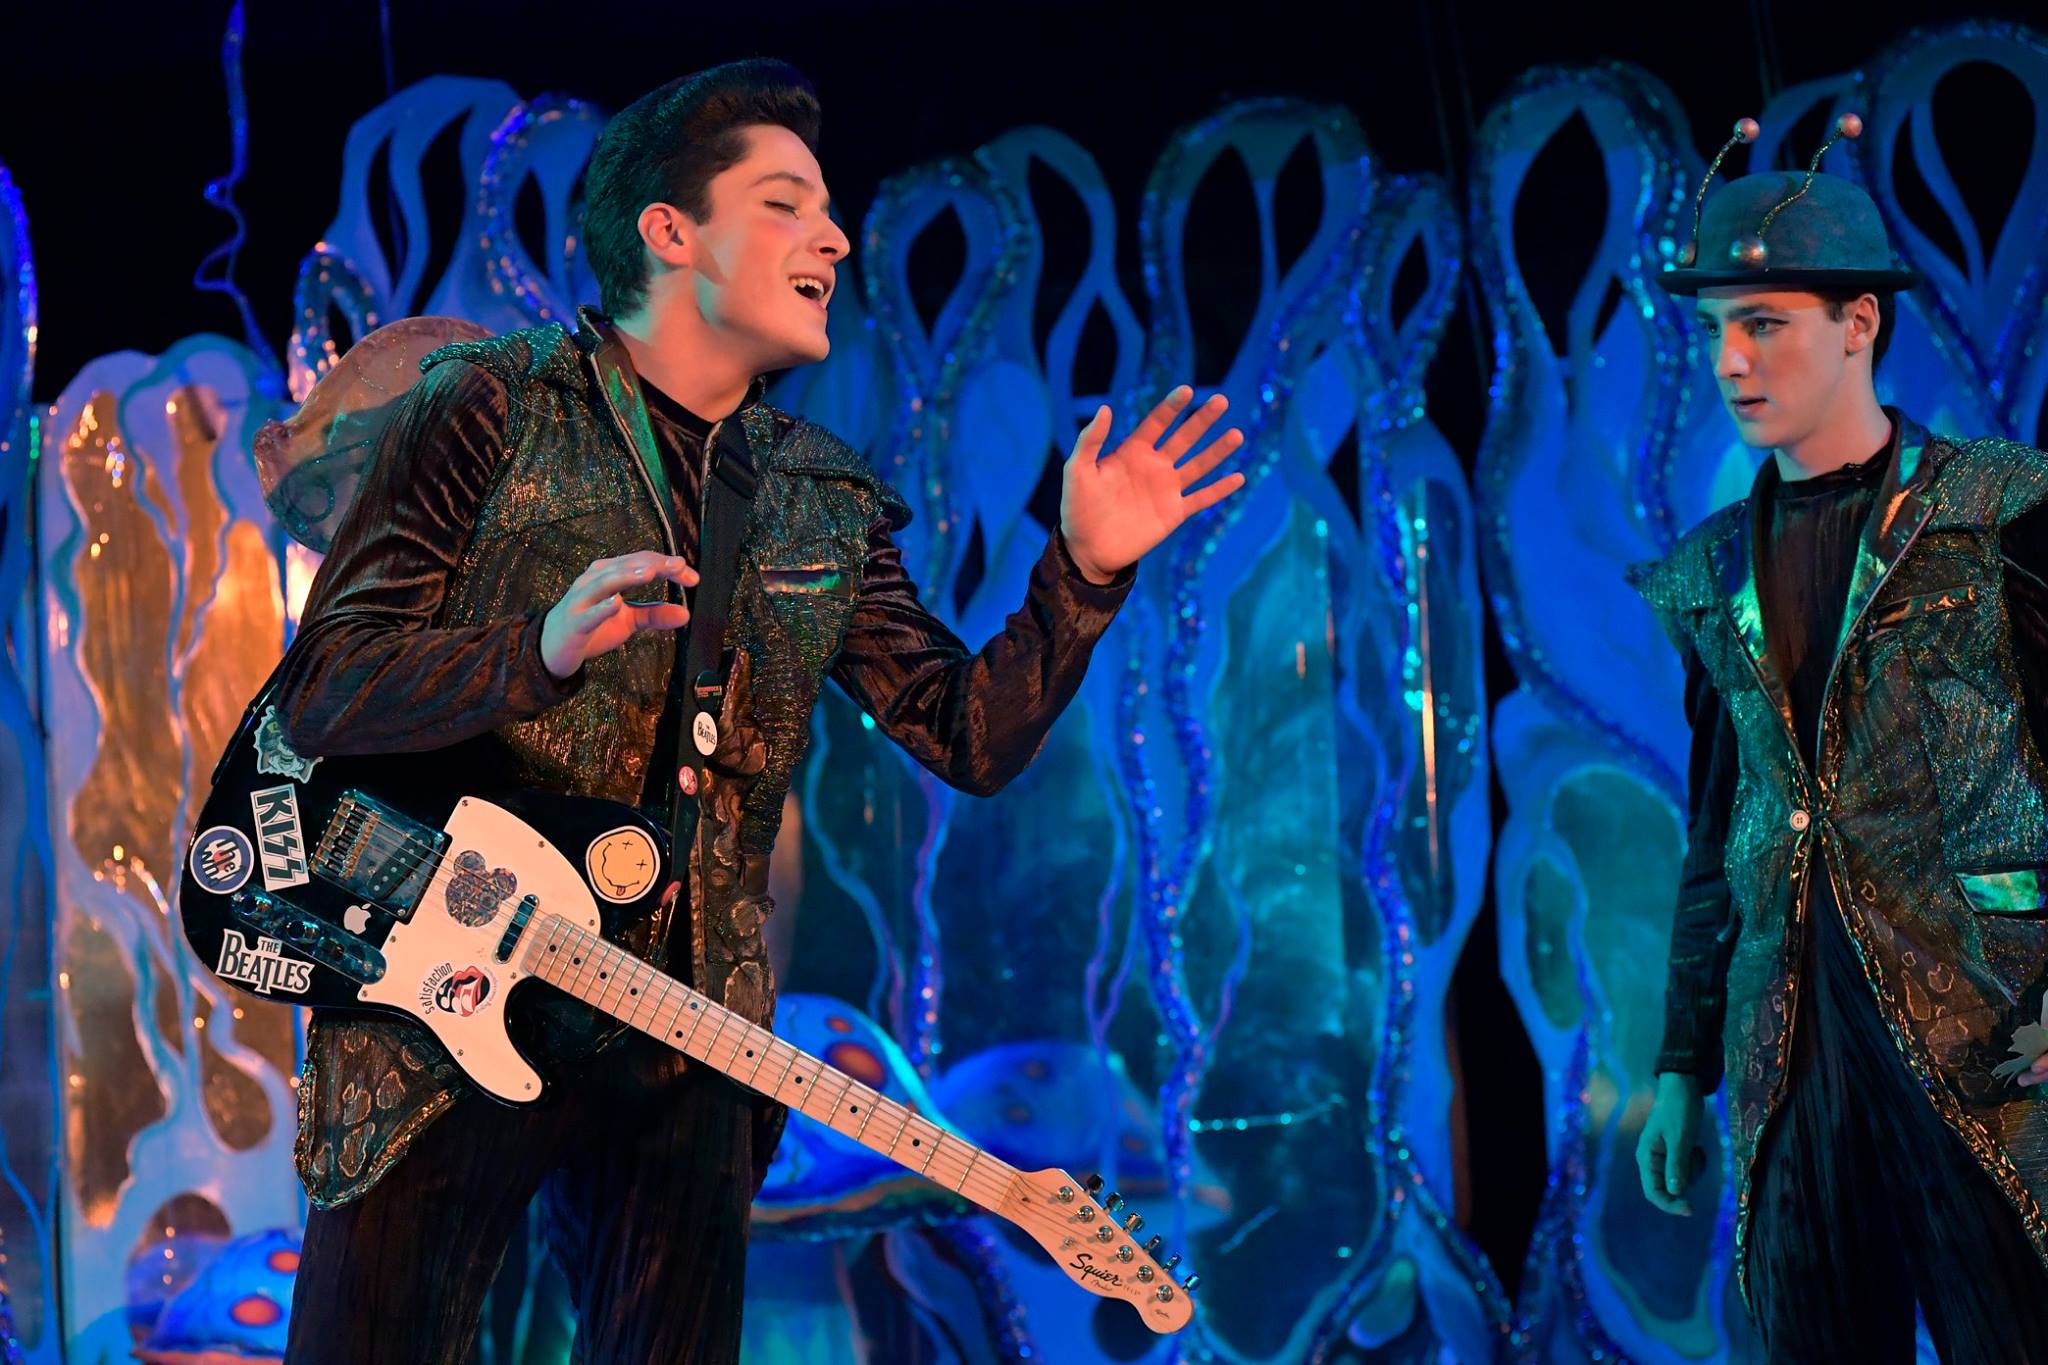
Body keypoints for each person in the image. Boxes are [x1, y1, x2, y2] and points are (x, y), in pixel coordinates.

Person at [272, 59, 1244, 1364]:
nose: (832, 238)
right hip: (438, 1000)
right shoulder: (488, 407)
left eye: (829, 210)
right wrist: (536, 648)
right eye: (784, 203)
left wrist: (1083, 573)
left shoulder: (818, 496)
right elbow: (327, 687)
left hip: (689, 1044)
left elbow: (966, 732)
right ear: (668, 233)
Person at [1630, 117, 2048, 1361]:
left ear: (1857, 322)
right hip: (1790, 1046)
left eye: (1764, 323)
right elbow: (1717, 824)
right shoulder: (1708, 572)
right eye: (1716, 329)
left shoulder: (1996, 510)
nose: (1730, 360)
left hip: (1986, 1028)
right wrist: (1679, 1062)